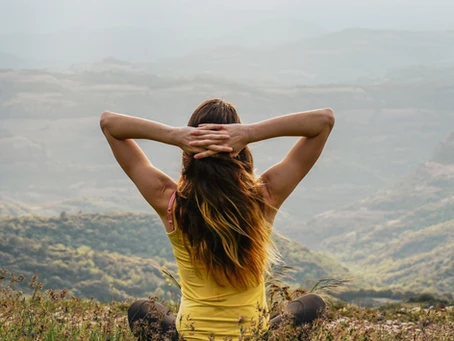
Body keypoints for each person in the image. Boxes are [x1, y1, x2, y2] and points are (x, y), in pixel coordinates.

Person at [100, 98, 335, 340]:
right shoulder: (264, 197)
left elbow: (110, 124)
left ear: (189, 150)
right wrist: (250, 133)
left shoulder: (170, 202)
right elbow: (323, 121)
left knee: (142, 309)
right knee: (312, 305)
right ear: (240, 150)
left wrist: (175, 136)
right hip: (251, 337)